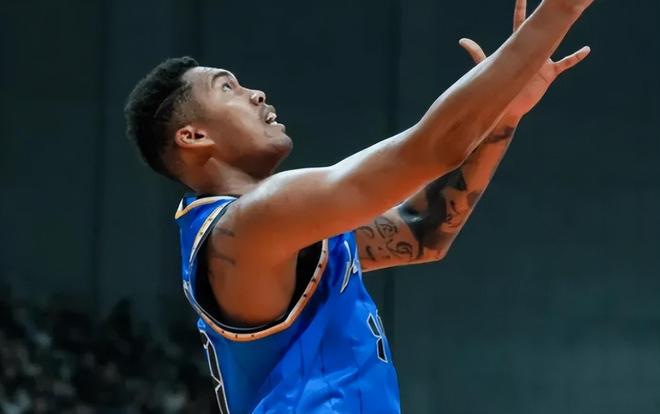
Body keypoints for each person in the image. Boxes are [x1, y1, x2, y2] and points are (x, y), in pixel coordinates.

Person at [124, 0, 594, 412]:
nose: (255, 93)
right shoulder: (250, 224)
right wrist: (559, 12)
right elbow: (428, 149)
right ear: (193, 136)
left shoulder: (269, 232)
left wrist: (503, 114)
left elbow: (422, 230)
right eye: (227, 88)